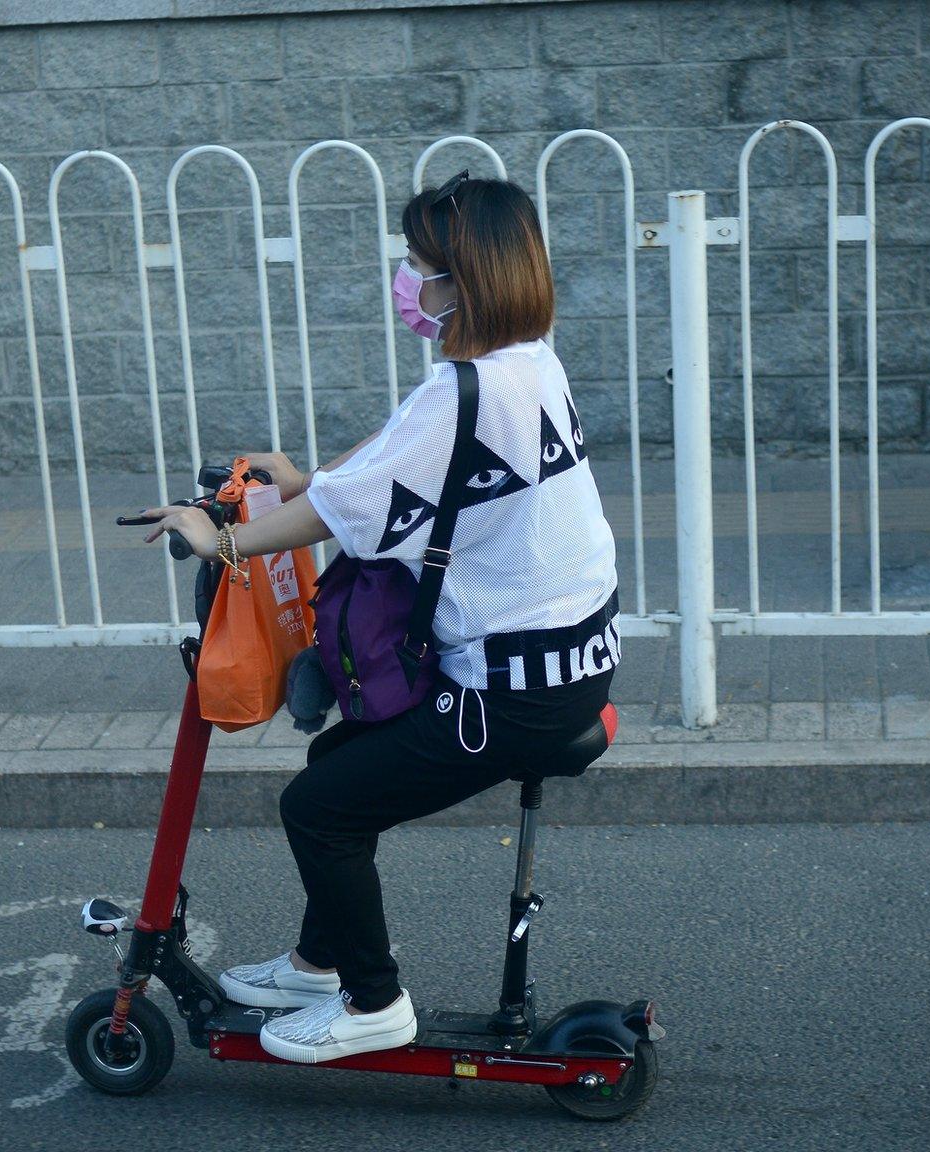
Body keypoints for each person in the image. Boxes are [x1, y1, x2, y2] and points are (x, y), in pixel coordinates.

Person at [133, 174, 622, 1064]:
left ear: (464, 284)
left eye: (421, 266)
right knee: (337, 761)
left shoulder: (466, 392)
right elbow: (394, 460)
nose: (409, 281)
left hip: (512, 693)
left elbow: (345, 505)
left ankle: (373, 1002)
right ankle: (323, 963)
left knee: (318, 807)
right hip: (567, 661)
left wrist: (219, 544)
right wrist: (303, 474)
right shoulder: (527, 363)